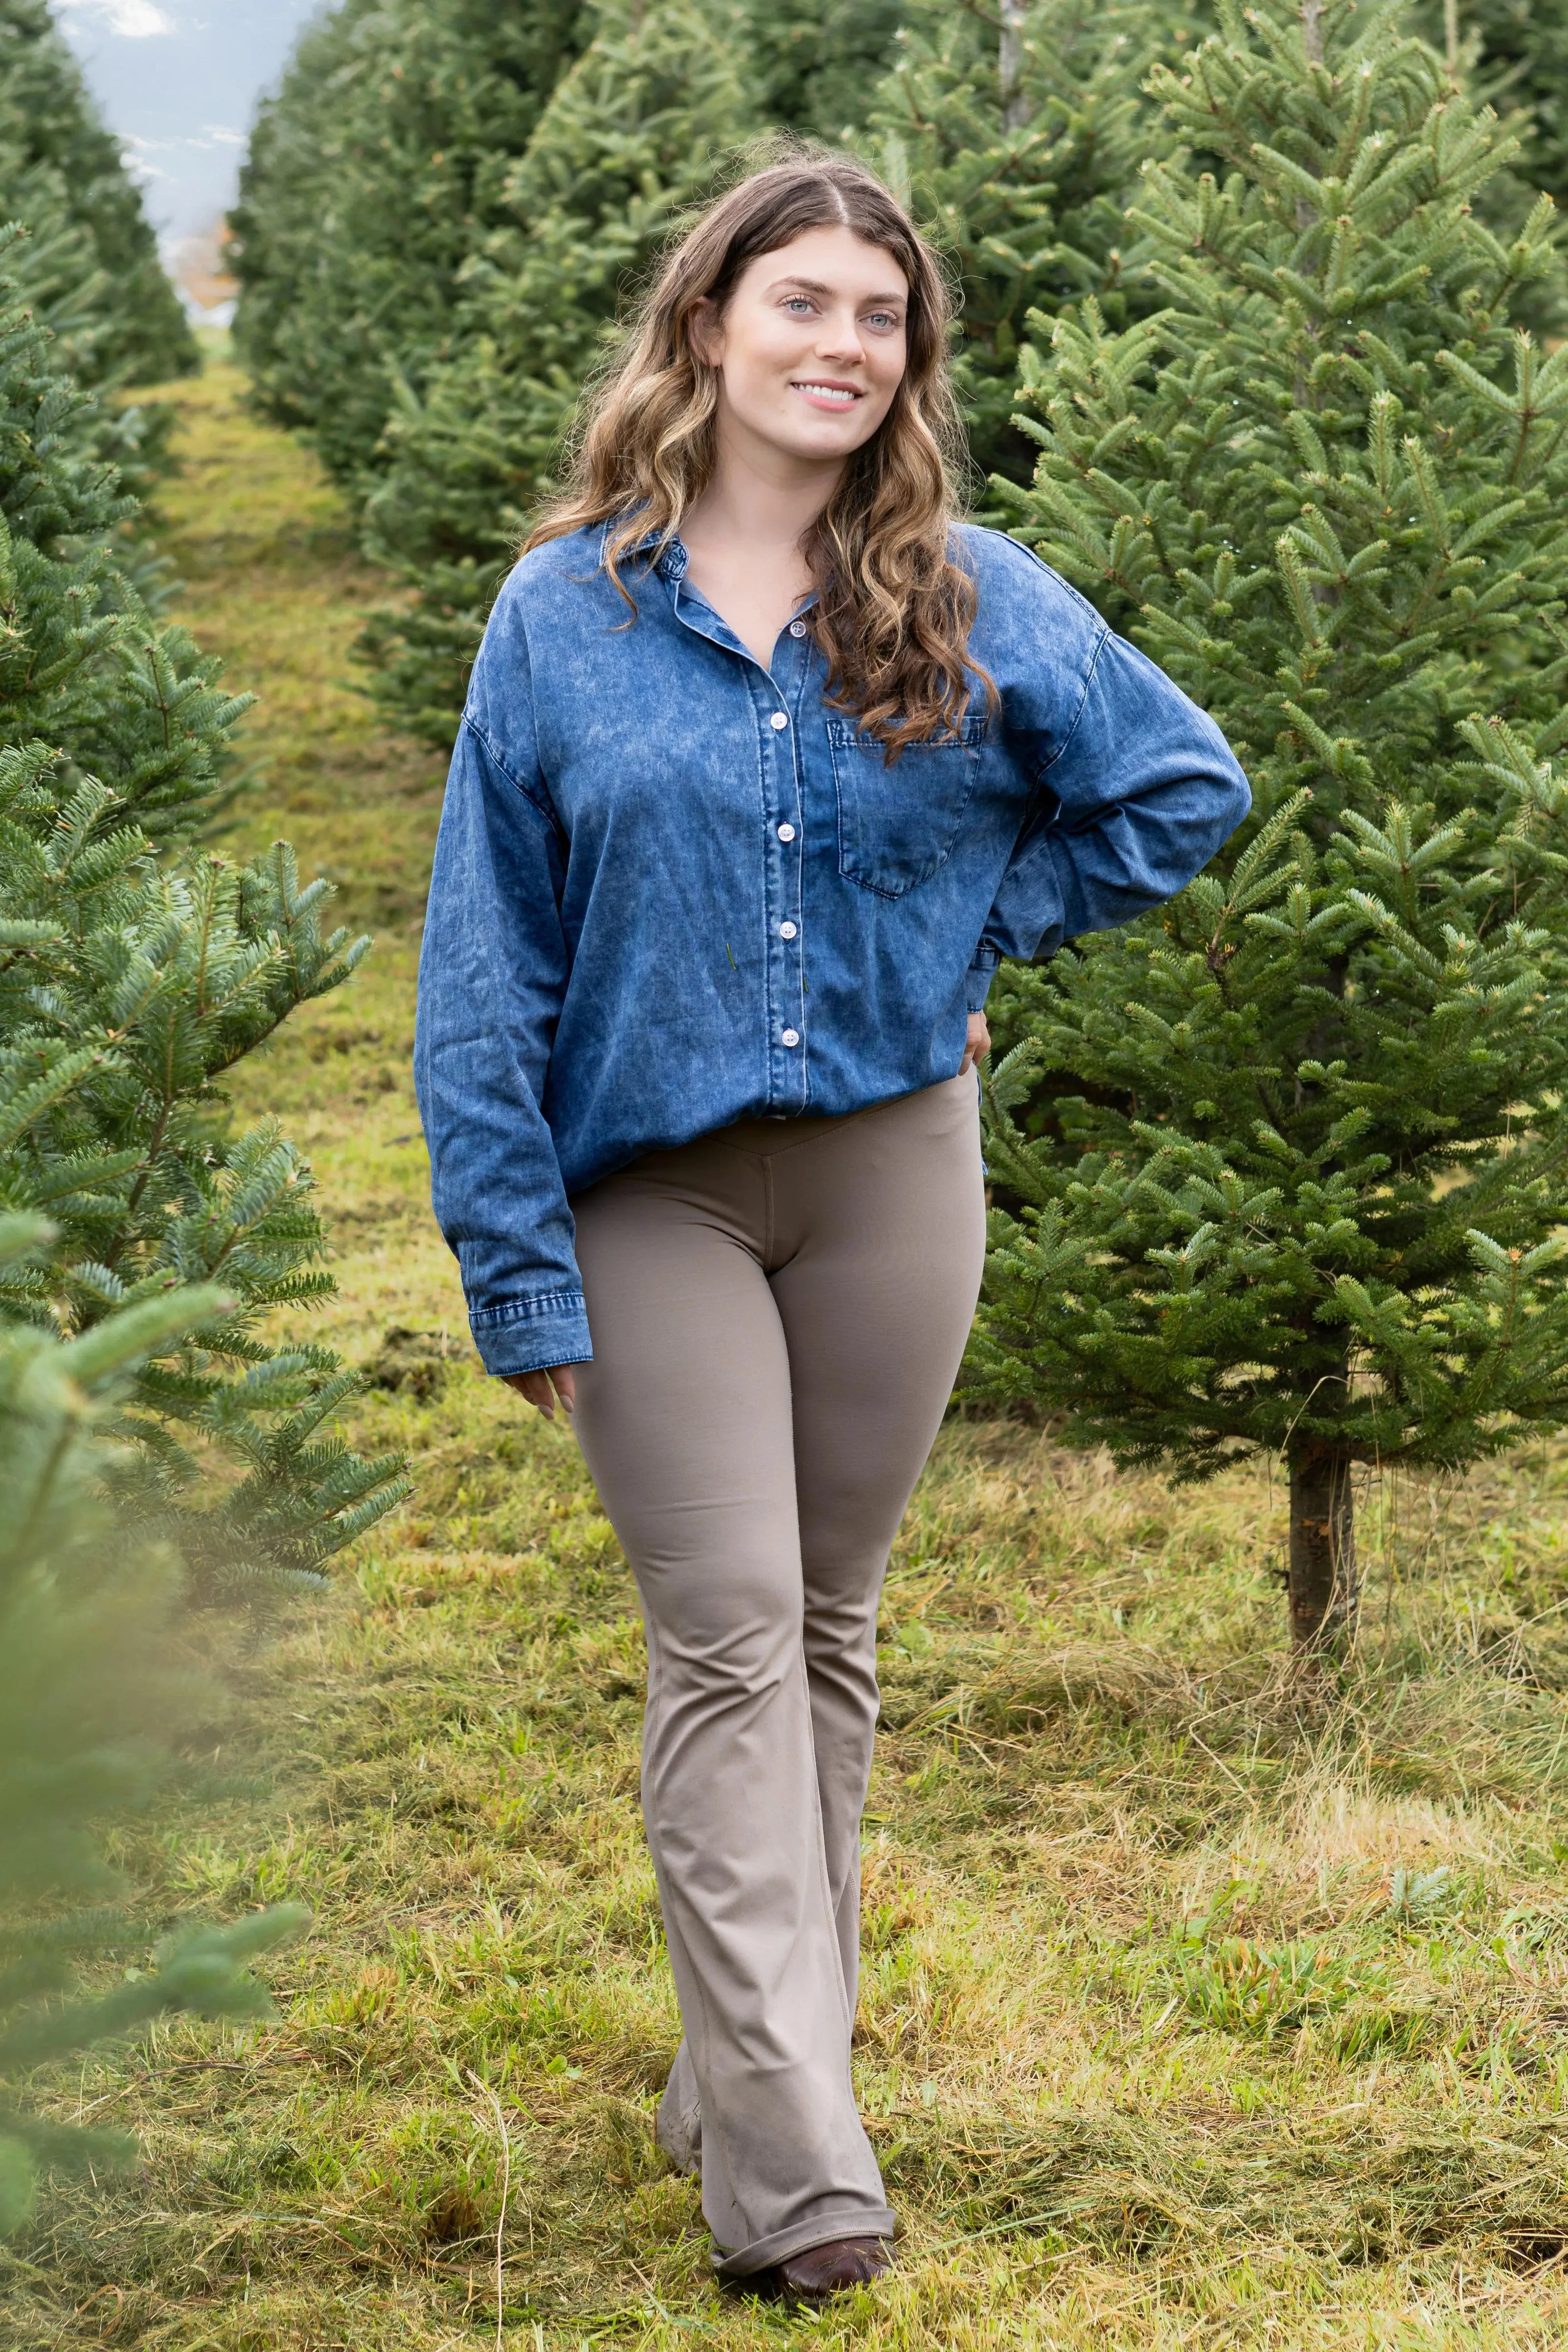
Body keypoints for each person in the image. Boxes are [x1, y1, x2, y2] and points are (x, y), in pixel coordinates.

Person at [414, 154, 1249, 2303]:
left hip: (892, 1170)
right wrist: (510, 1251)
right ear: (709, 327)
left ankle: (751, 2066)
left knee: (831, 1629)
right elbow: (481, 960)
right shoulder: (562, 615)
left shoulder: (967, 589)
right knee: (724, 1632)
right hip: (649, 1190)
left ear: (908, 365)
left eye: (878, 319)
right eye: (801, 303)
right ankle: (798, 2177)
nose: (840, 347)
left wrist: (989, 920)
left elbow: (1182, 787)